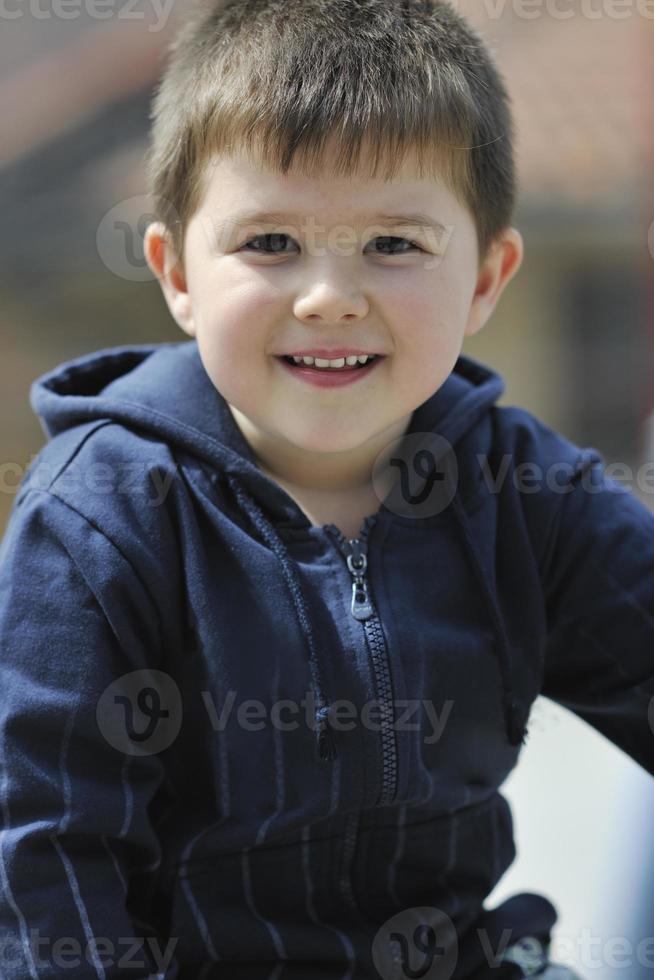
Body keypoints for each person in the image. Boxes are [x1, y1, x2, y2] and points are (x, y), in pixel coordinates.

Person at [0, 0, 651, 977]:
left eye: (394, 245)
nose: (329, 295)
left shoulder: (523, 492)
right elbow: (43, 860)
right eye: (269, 243)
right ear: (176, 270)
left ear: (486, 276)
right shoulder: (99, 523)